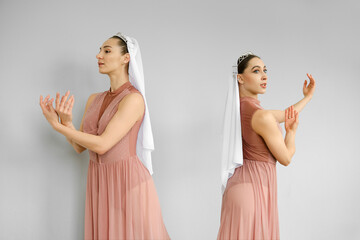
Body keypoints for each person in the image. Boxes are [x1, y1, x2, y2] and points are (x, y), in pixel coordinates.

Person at [39, 33, 170, 240]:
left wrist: (58, 127)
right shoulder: (94, 99)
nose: (99, 55)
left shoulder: (133, 99)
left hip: (128, 181)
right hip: (100, 181)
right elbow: (79, 147)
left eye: (107, 51)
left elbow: (102, 145)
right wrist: (66, 122)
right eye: (100, 50)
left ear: (126, 58)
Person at [217, 52, 315, 239]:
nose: (264, 76)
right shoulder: (261, 116)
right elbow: (285, 158)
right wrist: (291, 133)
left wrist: (307, 97)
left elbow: (287, 114)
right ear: (240, 78)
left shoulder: (243, 109)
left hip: (239, 189)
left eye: (265, 70)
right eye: (256, 71)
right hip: (253, 192)